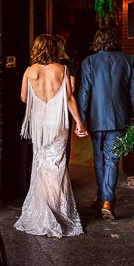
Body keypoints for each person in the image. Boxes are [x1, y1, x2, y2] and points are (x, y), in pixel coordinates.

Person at [15, 34, 87, 237]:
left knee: (41, 164)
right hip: (58, 122)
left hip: (39, 123)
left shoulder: (30, 71)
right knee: (56, 165)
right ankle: (56, 211)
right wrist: (79, 123)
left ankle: (41, 213)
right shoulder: (62, 69)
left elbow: (23, 97)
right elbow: (69, 98)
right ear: (53, 49)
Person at [77, 27, 134, 220]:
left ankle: (103, 198)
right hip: (119, 118)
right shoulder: (128, 60)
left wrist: (82, 118)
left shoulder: (89, 62)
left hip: (96, 116)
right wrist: (133, 117)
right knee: (112, 160)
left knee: (99, 159)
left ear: (97, 41)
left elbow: (85, 91)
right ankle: (106, 200)